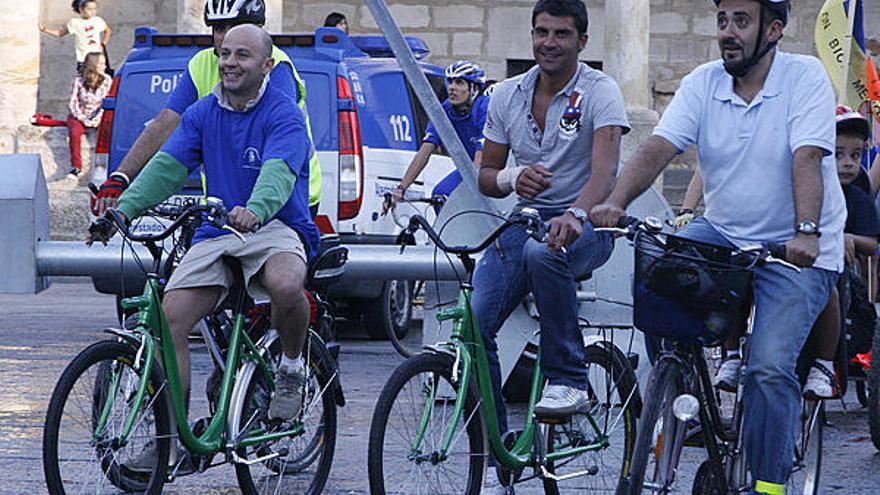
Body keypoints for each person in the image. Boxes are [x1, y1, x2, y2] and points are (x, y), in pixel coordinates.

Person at [590, 1, 845, 492]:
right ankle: (680, 378)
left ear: (773, 30)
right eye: (723, 20)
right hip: (725, 232)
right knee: (659, 273)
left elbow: (807, 157)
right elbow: (658, 147)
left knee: (768, 369)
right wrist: (615, 201)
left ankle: (768, 486)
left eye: (741, 21)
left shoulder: (805, 77)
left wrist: (808, 231)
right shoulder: (704, 82)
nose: (728, 32)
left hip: (796, 247)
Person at [90, 23, 318, 437]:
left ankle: (291, 366)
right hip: (218, 233)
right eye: (225, 53)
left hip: (275, 226)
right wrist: (121, 210)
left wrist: (255, 209)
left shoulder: (284, 113)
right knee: (169, 320)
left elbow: (279, 173)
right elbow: (168, 167)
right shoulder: (201, 113)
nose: (229, 62)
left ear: (267, 65)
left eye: (242, 55)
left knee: (286, 285)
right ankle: (172, 439)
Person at [475, 0, 630, 434]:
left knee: (545, 255)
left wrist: (577, 213)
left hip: (590, 222)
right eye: (542, 32)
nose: (549, 42)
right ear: (532, 37)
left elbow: (606, 174)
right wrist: (513, 178)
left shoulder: (601, 90)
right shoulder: (507, 94)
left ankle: (569, 380)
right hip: (526, 222)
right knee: (475, 320)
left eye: (561, 34)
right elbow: (486, 177)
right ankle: (494, 442)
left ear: (582, 41)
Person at [90, 0, 322, 218]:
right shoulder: (202, 64)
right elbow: (166, 122)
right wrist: (121, 177)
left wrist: (256, 208)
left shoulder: (274, 67)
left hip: (288, 194)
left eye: (236, 27)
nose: (227, 36)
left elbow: (280, 145)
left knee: (274, 255)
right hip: (228, 197)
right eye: (220, 28)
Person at [387, 60, 489, 210]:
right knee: (440, 195)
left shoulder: (485, 108)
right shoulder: (445, 110)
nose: (452, 88)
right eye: (450, 82)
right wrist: (401, 188)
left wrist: (463, 194)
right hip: (469, 168)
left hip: (494, 168)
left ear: (474, 88)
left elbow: (480, 159)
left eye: (460, 82)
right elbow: (425, 150)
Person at [65, 51, 111, 178]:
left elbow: (106, 102)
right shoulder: (78, 81)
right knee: (74, 132)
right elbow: (73, 102)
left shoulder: (107, 80)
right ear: (93, 65)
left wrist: (97, 119)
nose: (104, 66)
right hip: (81, 114)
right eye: (101, 64)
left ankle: (103, 166)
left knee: (107, 130)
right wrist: (83, 119)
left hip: (99, 114)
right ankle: (76, 167)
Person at [39, 0, 112, 74]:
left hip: (98, 57)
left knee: (100, 80)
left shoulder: (98, 20)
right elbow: (60, 33)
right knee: (85, 80)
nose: (93, 11)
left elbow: (108, 31)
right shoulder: (75, 22)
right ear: (81, 9)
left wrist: (103, 43)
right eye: (89, 9)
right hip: (83, 59)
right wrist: (45, 30)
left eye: (94, 9)